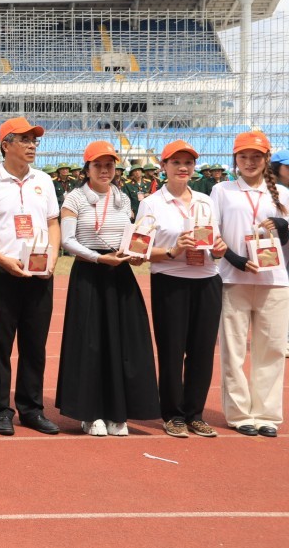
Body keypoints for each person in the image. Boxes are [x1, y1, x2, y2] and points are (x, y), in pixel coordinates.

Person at [55, 141, 160, 436]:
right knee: (89, 343)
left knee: (124, 343)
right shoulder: (74, 198)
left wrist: (135, 254)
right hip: (90, 272)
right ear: (86, 169)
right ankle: (90, 414)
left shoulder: (122, 197)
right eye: (98, 165)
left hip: (120, 272)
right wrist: (99, 258)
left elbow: (130, 234)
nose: (104, 170)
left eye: (110, 165)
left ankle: (118, 412)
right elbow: (67, 240)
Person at [0, 117, 61, 436]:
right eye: (24, 139)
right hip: (3, 272)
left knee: (35, 345)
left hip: (40, 272)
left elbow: (53, 223)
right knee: (1, 344)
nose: (31, 145)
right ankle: (0, 409)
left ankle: (32, 409)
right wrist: (1, 258)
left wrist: (52, 256)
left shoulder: (44, 181)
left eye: (34, 140)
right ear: (5, 145)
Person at [134, 140, 227, 437]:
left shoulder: (206, 200)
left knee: (202, 352)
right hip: (170, 280)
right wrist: (173, 250)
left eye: (188, 162)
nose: (183, 167)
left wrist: (221, 249)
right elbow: (139, 250)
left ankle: (195, 413)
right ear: (164, 167)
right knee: (172, 350)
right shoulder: (152, 203)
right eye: (176, 162)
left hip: (208, 279)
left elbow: (216, 244)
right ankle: (173, 414)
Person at [212, 131, 289, 438]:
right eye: (243, 157)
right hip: (233, 279)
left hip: (275, 281)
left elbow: (286, 238)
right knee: (232, 350)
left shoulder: (283, 195)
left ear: (266, 160)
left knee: (270, 349)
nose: (249, 162)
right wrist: (235, 260)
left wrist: (285, 227)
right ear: (235, 160)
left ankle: (267, 413)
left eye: (256, 157)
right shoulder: (222, 190)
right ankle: (239, 412)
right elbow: (214, 235)